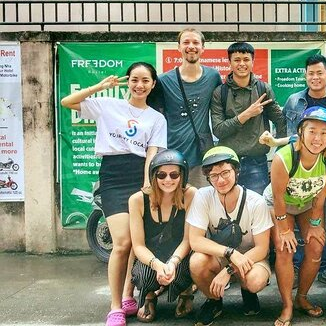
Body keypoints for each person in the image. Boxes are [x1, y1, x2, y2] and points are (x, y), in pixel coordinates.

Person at [60, 62, 167, 326]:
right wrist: (100, 86)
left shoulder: (156, 118)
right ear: (127, 81)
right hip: (113, 175)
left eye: (145, 80)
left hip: (139, 175)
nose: (139, 85)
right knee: (121, 242)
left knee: (134, 240)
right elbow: (67, 102)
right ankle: (115, 305)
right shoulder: (108, 104)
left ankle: (130, 295)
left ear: (153, 84)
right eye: (134, 80)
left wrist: (147, 183)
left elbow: (152, 153)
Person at [264, 107, 326, 326]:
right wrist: (285, 230)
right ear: (301, 132)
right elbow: (278, 198)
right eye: (312, 131)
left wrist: (316, 224)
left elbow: (321, 192)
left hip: (307, 203)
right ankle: (287, 305)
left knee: (316, 245)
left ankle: (302, 298)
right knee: (284, 248)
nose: (317, 138)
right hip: (281, 206)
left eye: (324, 132)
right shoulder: (284, 158)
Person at [282, 53, 326, 290]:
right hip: (299, 171)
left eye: (320, 73)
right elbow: (291, 139)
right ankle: (301, 266)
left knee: (325, 221)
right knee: (300, 222)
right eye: (311, 73)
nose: (315, 77)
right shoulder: (293, 101)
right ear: (305, 75)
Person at [186, 147, 273, 326]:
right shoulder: (203, 196)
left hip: (251, 258)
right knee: (196, 262)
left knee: (255, 280)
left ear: (236, 171)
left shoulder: (255, 202)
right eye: (214, 175)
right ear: (208, 178)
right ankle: (214, 301)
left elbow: (262, 248)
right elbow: (195, 240)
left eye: (226, 172)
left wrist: (229, 270)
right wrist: (230, 253)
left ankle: (247, 291)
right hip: (221, 255)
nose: (221, 180)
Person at [128, 149, 197, 322]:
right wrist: (157, 265)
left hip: (180, 256)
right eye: (161, 175)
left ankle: (185, 292)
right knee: (144, 275)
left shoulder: (190, 195)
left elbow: (188, 240)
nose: (168, 180)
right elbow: (138, 246)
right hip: (152, 255)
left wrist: (173, 263)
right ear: (153, 176)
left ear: (182, 175)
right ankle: (149, 295)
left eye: (174, 175)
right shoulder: (137, 200)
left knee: (189, 267)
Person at [210, 41, 286, 194]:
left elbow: (280, 121)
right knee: (229, 210)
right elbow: (218, 130)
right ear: (229, 63)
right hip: (228, 163)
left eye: (246, 59)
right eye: (237, 60)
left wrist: (280, 153)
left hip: (257, 162)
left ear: (252, 62)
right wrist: (247, 114)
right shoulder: (220, 92)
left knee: (258, 209)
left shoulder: (263, 89)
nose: (242, 64)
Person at [158, 29, 222, 187]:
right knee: (173, 207)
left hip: (201, 157)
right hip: (171, 156)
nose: (191, 46)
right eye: (186, 42)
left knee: (201, 205)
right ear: (178, 47)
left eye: (195, 42)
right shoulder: (164, 81)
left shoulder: (213, 77)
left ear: (203, 48)